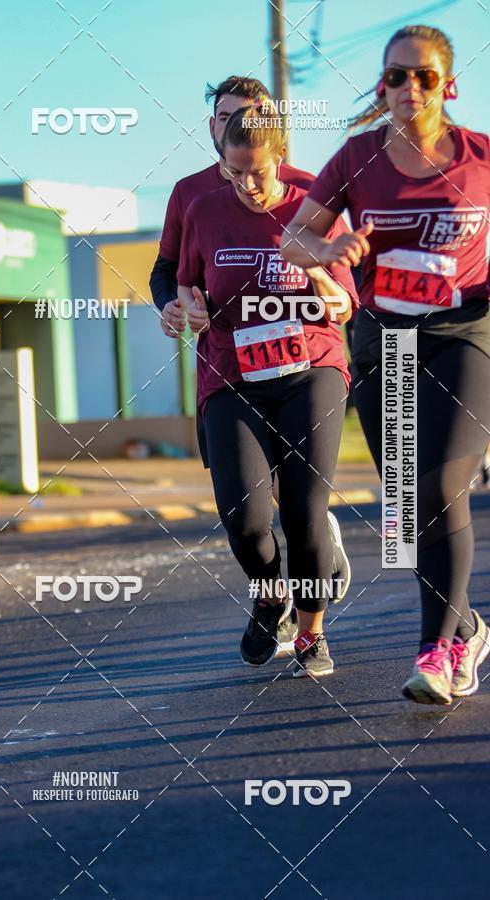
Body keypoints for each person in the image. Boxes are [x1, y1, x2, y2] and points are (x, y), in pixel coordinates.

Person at [282, 24, 490, 704]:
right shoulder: (358, 157)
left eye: (424, 76)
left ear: (447, 84)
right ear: (382, 83)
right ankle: (465, 627)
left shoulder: (481, 158)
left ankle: (437, 652)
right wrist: (332, 249)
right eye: (396, 75)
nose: (409, 87)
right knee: (408, 505)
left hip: (465, 332)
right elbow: (293, 239)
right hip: (384, 341)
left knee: (442, 483)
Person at [150, 75, 352, 616]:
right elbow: (171, 273)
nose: (232, 127)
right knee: (245, 510)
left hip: (309, 365)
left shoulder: (311, 191)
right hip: (228, 370)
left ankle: (311, 606)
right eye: (223, 118)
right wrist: (175, 304)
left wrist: (326, 284)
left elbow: (344, 290)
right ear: (214, 128)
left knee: (301, 504)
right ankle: (274, 591)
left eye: (247, 115)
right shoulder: (193, 197)